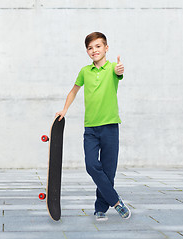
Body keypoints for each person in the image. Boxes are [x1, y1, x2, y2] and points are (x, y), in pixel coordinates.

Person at [56, 32, 131, 221]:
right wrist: (64, 109)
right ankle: (116, 201)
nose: (94, 50)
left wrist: (120, 69)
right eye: (90, 48)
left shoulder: (113, 68)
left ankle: (100, 209)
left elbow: (119, 72)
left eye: (98, 46)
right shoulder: (84, 71)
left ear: (106, 48)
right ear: (87, 51)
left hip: (110, 127)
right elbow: (73, 91)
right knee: (91, 165)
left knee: (108, 170)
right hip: (90, 128)